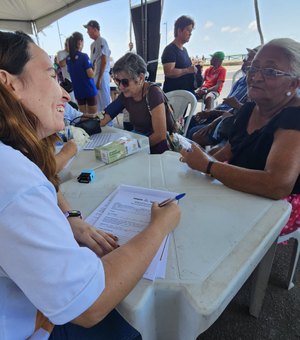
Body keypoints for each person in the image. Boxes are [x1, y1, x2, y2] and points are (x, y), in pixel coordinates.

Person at [0, 30, 180, 339]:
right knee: (138, 324)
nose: (66, 94)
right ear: (9, 83)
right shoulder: (12, 179)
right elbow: (89, 306)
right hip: (34, 326)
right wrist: (159, 228)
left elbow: (40, 178)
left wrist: (71, 218)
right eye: (52, 75)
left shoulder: (13, 162)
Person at [180, 38, 300, 237]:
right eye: (253, 69)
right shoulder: (249, 109)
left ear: (294, 82)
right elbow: (230, 151)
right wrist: (198, 158)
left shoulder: (295, 116)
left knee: (206, 224)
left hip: (280, 205)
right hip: (242, 187)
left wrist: (208, 166)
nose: (256, 77)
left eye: (270, 71)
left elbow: (278, 184)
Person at [100, 52, 176, 154]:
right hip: (140, 141)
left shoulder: (153, 93)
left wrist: (133, 148)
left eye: (125, 82)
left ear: (140, 78)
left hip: (158, 147)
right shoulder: (125, 95)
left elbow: (160, 135)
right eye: (117, 81)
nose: (120, 87)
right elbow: (104, 117)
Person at [187, 46, 259, 146]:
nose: (244, 59)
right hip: (221, 113)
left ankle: (192, 156)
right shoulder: (241, 81)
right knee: (190, 120)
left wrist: (212, 114)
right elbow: (228, 104)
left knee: (194, 133)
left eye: (248, 57)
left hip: (227, 120)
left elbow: (238, 114)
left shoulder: (255, 87)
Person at [161, 15, 197, 94]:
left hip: (185, 95)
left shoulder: (184, 50)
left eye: (191, 31)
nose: (190, 34)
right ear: (179, 30)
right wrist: (187, 70)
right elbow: (169, 72)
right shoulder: (170, 50)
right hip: (174, 97)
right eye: (188, 30)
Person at [66, 32, 97, 115]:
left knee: (83, 115)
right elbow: (90, 74)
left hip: (78, 90)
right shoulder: (84, 56)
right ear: (80, 41)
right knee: (92, 115)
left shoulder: (68, 59)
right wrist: (95, 68)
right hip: (89, 89)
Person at [84, 20, 111, 112]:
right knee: (98, 101)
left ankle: (108, 123)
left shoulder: (102, 41)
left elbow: (104, 60)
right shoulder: (92, 45)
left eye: (88, 29)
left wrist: (99, 79)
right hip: (95, 76)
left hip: (102, 76)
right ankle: (101, 122)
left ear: (95, 29)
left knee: (105, 100)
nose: (87, 32)